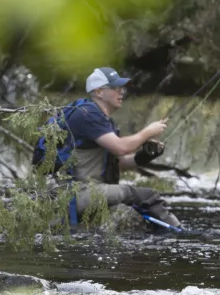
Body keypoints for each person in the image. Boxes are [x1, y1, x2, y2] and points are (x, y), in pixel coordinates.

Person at [61, 67, 181, 229]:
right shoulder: (87, 114)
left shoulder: (102, 119)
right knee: (148, 197)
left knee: (142, 198)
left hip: (85, 193)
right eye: (115, 88)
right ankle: (177, 233)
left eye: (122, 88)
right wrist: (148, 132)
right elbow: (121, 148)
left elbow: (116, 164)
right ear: (98, 92)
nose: (121, 92)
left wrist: (145, 155)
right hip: (76, 194)